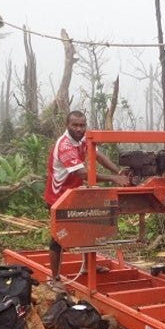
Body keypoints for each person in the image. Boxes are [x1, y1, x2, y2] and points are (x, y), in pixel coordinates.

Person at [45, 110, 130, 288]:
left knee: (89, 227)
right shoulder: (65, 145)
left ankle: (87, 266)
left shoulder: (84, 139)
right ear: (67, 126)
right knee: (58, 238)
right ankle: (54, 279)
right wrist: (113, 179)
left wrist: (118, 171)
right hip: (59, 196)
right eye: (75, 125)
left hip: (76, 192)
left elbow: (98, 155)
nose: (79, 128)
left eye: (82, 125)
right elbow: (82, 173)